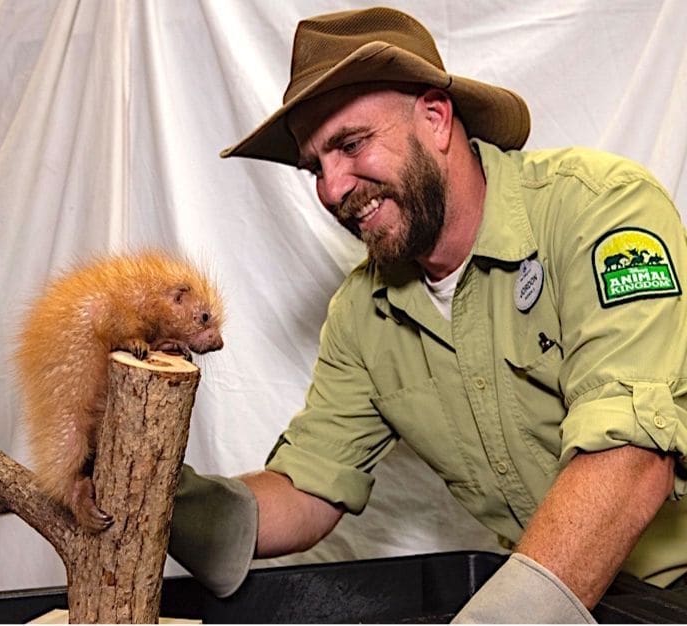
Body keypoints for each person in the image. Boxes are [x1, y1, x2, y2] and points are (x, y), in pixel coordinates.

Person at [168, 7, 687, 622]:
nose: (332, 189)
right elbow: (310, 486)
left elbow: (629, 458)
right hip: (548, 602)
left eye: (351, 144)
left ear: (436, 119)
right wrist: (160, 500)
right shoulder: (363, 314)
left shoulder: (601, 212)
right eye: (315, 167)